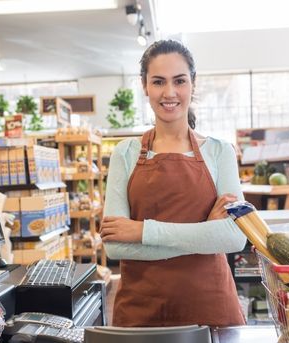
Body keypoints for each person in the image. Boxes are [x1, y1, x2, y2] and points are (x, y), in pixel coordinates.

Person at [101, 40, 247, 327]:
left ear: (193, 83)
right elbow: (115, 247)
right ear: (145, 86)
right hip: (142, 311)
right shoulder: (125, 153)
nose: (169, 93)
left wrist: (142, 231)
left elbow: (234, 238)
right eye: (158, 82)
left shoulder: (220, 151)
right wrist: (205, 234)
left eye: (179, 81)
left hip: (210, 307)